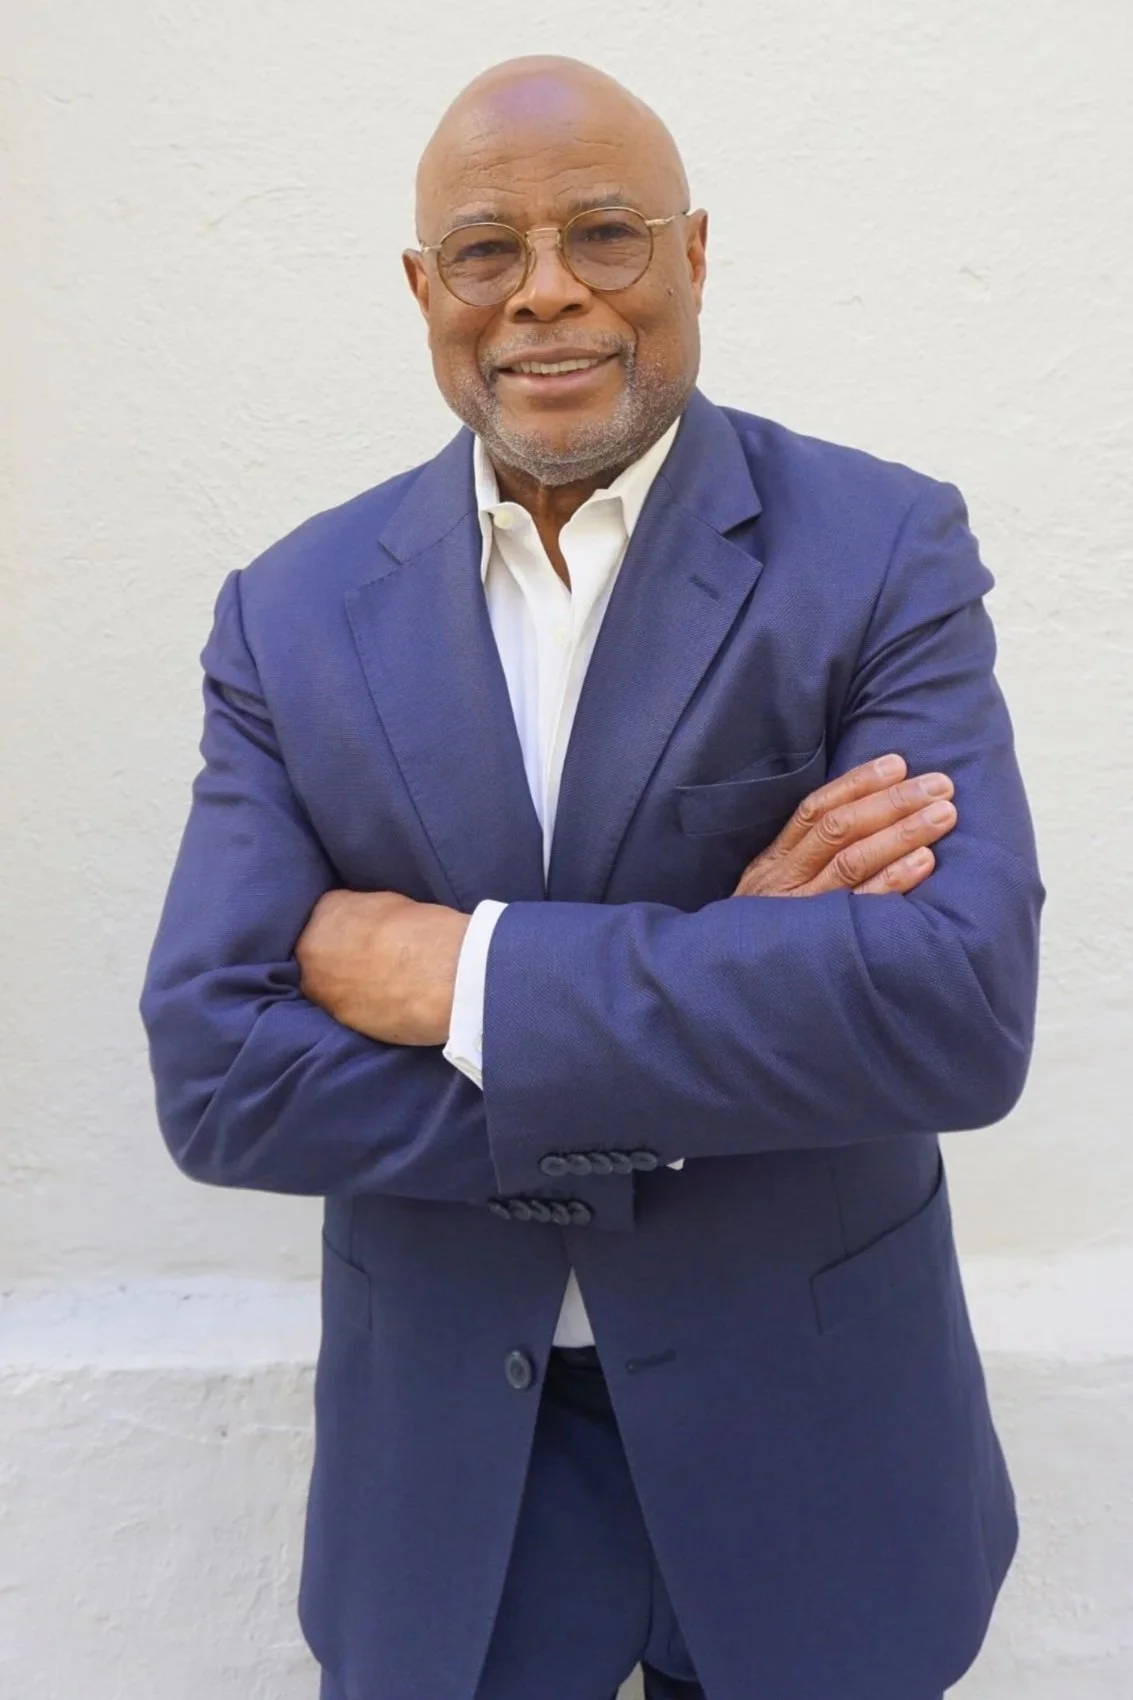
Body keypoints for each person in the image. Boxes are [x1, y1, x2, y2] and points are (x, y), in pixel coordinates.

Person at [139, 54, 1043, 1700]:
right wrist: (735, 967)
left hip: (817, 1455)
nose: (545, 293)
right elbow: (218, 1074)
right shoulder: (290, 610)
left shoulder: (883, 548)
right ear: (424, 289)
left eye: (605, 235)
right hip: (452, 1484)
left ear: (695, 254)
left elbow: (958, 1010)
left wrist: (466, 981)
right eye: (488, 250)